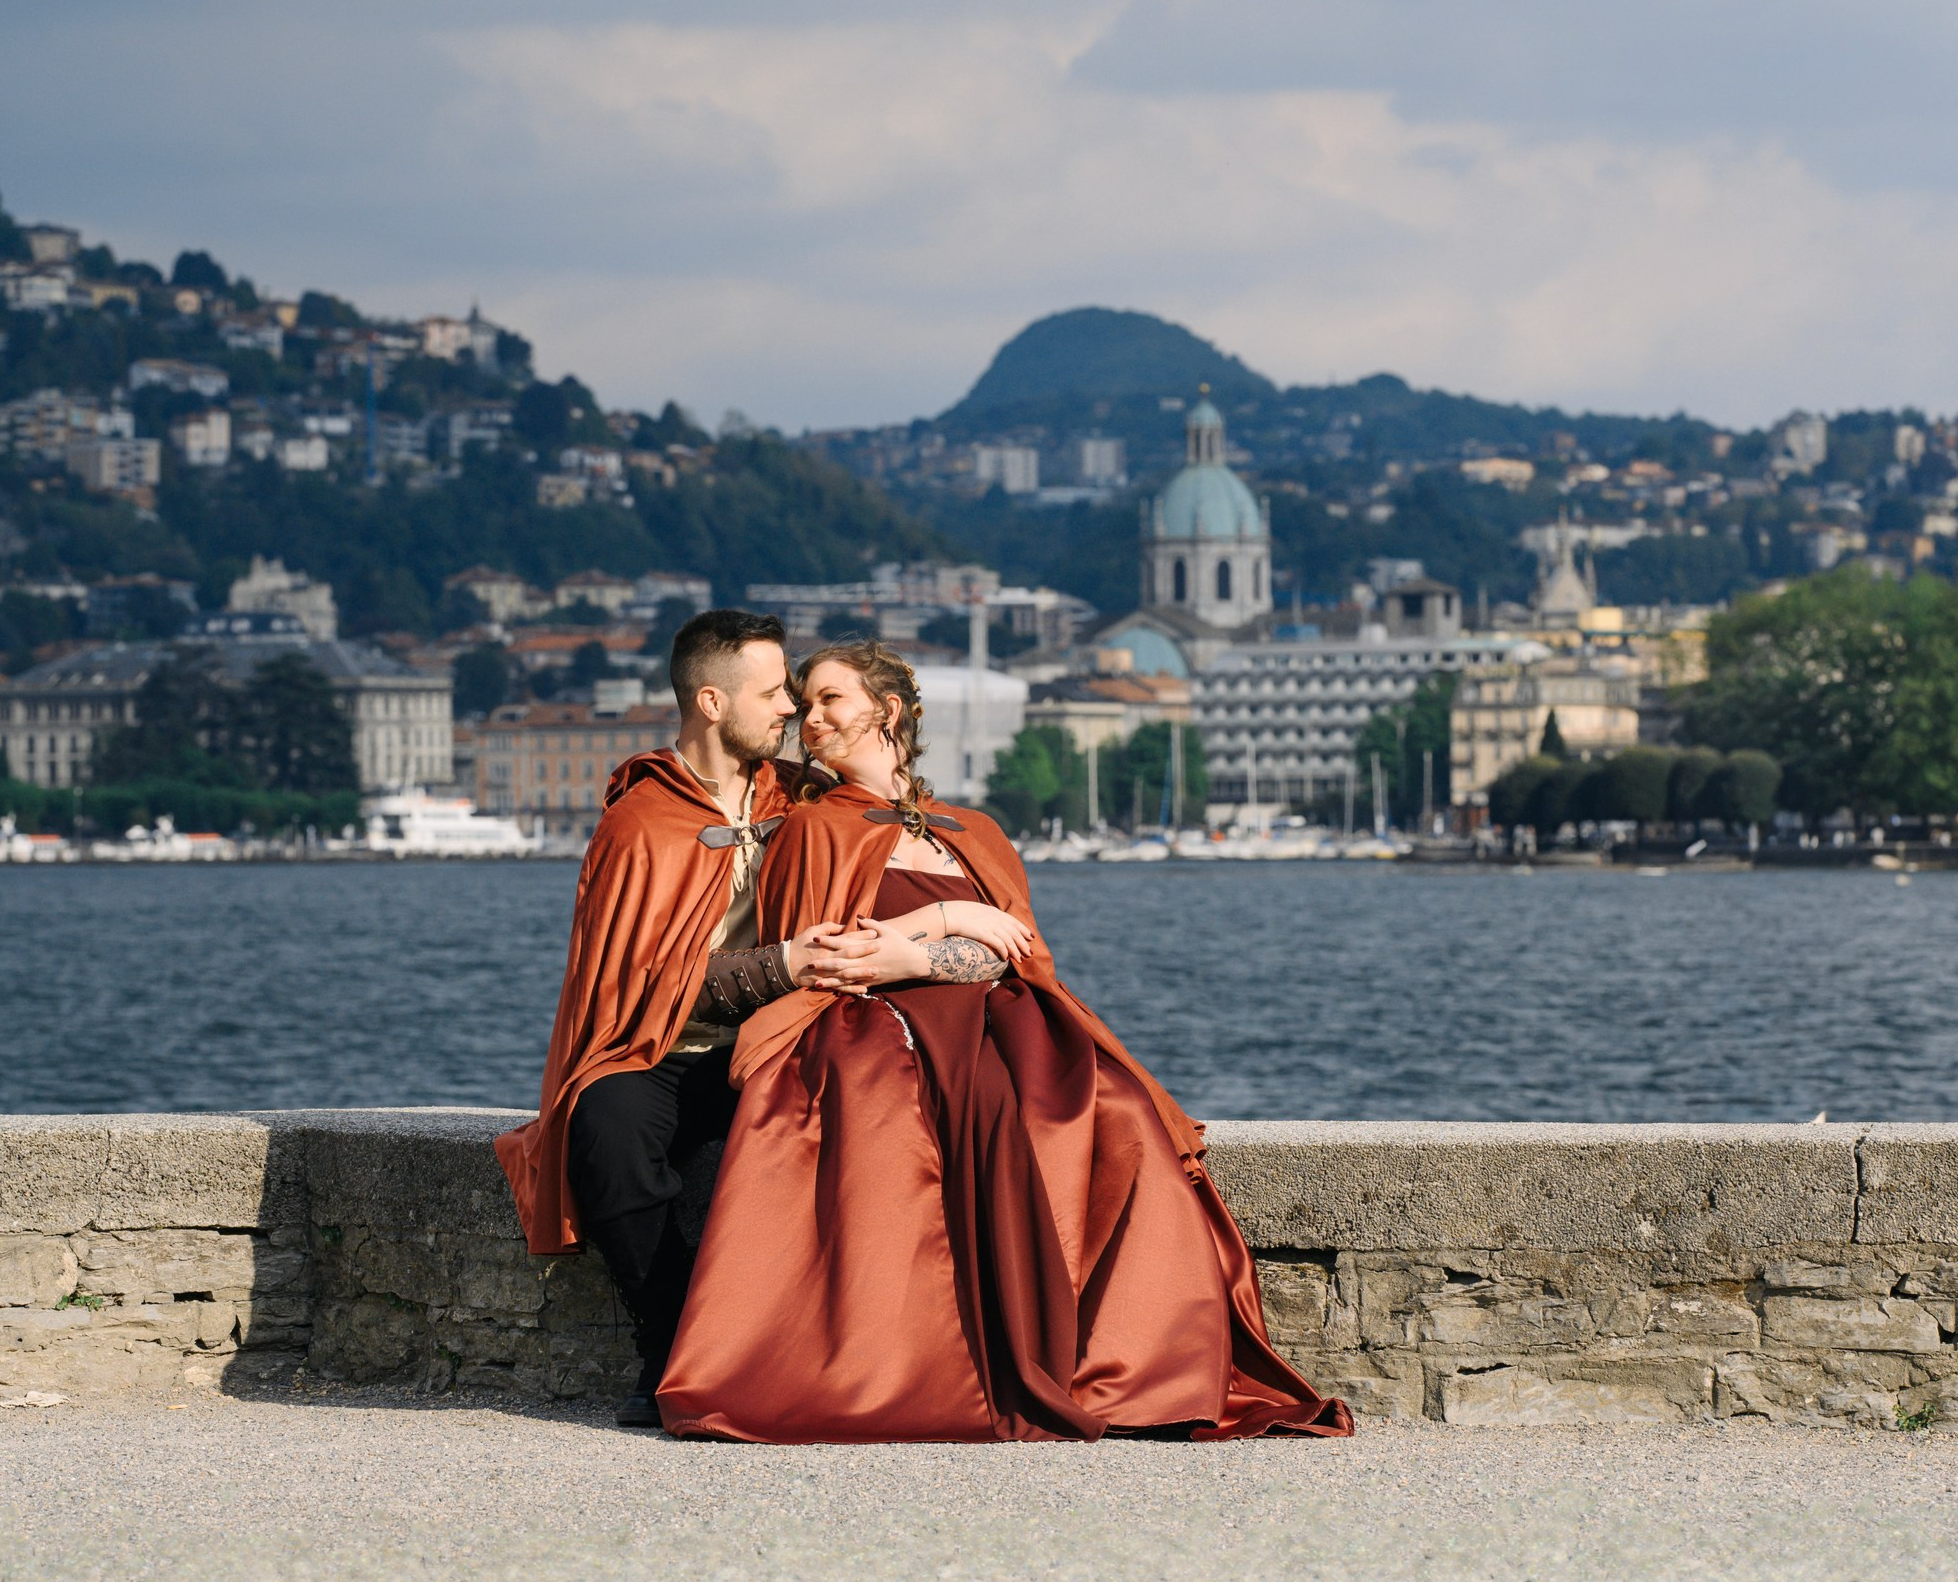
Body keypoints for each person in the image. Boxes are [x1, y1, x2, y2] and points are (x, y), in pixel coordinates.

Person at [656, 640, 1352, 1443]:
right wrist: (942, 921)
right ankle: (963, 1360)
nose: (810, 720)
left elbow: (1017, 949)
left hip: (1001, 1013)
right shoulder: (816, 828)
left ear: (884, 712)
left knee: (1116, 1106)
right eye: (804, 704)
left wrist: (921, 948)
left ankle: (1133, 1364)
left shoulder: (973, 830)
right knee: (968, 1104)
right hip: (873, 1021)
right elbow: (839, 951)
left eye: (830, 700)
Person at [493, 610, 827, 1429]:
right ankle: (672, 1339)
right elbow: (632, 982)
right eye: (773, 689)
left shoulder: (807, 799)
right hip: (659, 1045)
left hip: (772, 1045)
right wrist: (781, 964)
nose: (789, 706)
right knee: (603, 1128)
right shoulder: (640, 819)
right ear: (711, 701)